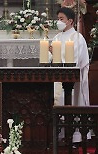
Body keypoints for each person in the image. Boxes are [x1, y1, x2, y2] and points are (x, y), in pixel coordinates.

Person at [51, 7, 90, 144]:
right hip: (57, 79)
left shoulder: (78, 38)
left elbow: (75, 59)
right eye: (58, 19)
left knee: (71, 101)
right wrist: (51, 54)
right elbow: (53, 60)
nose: (58, 22)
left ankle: (74, 136)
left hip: (73, 81)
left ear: (70, 21)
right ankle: (59, 135)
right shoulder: (57, 37)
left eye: (61, 19)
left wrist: (58, 56)